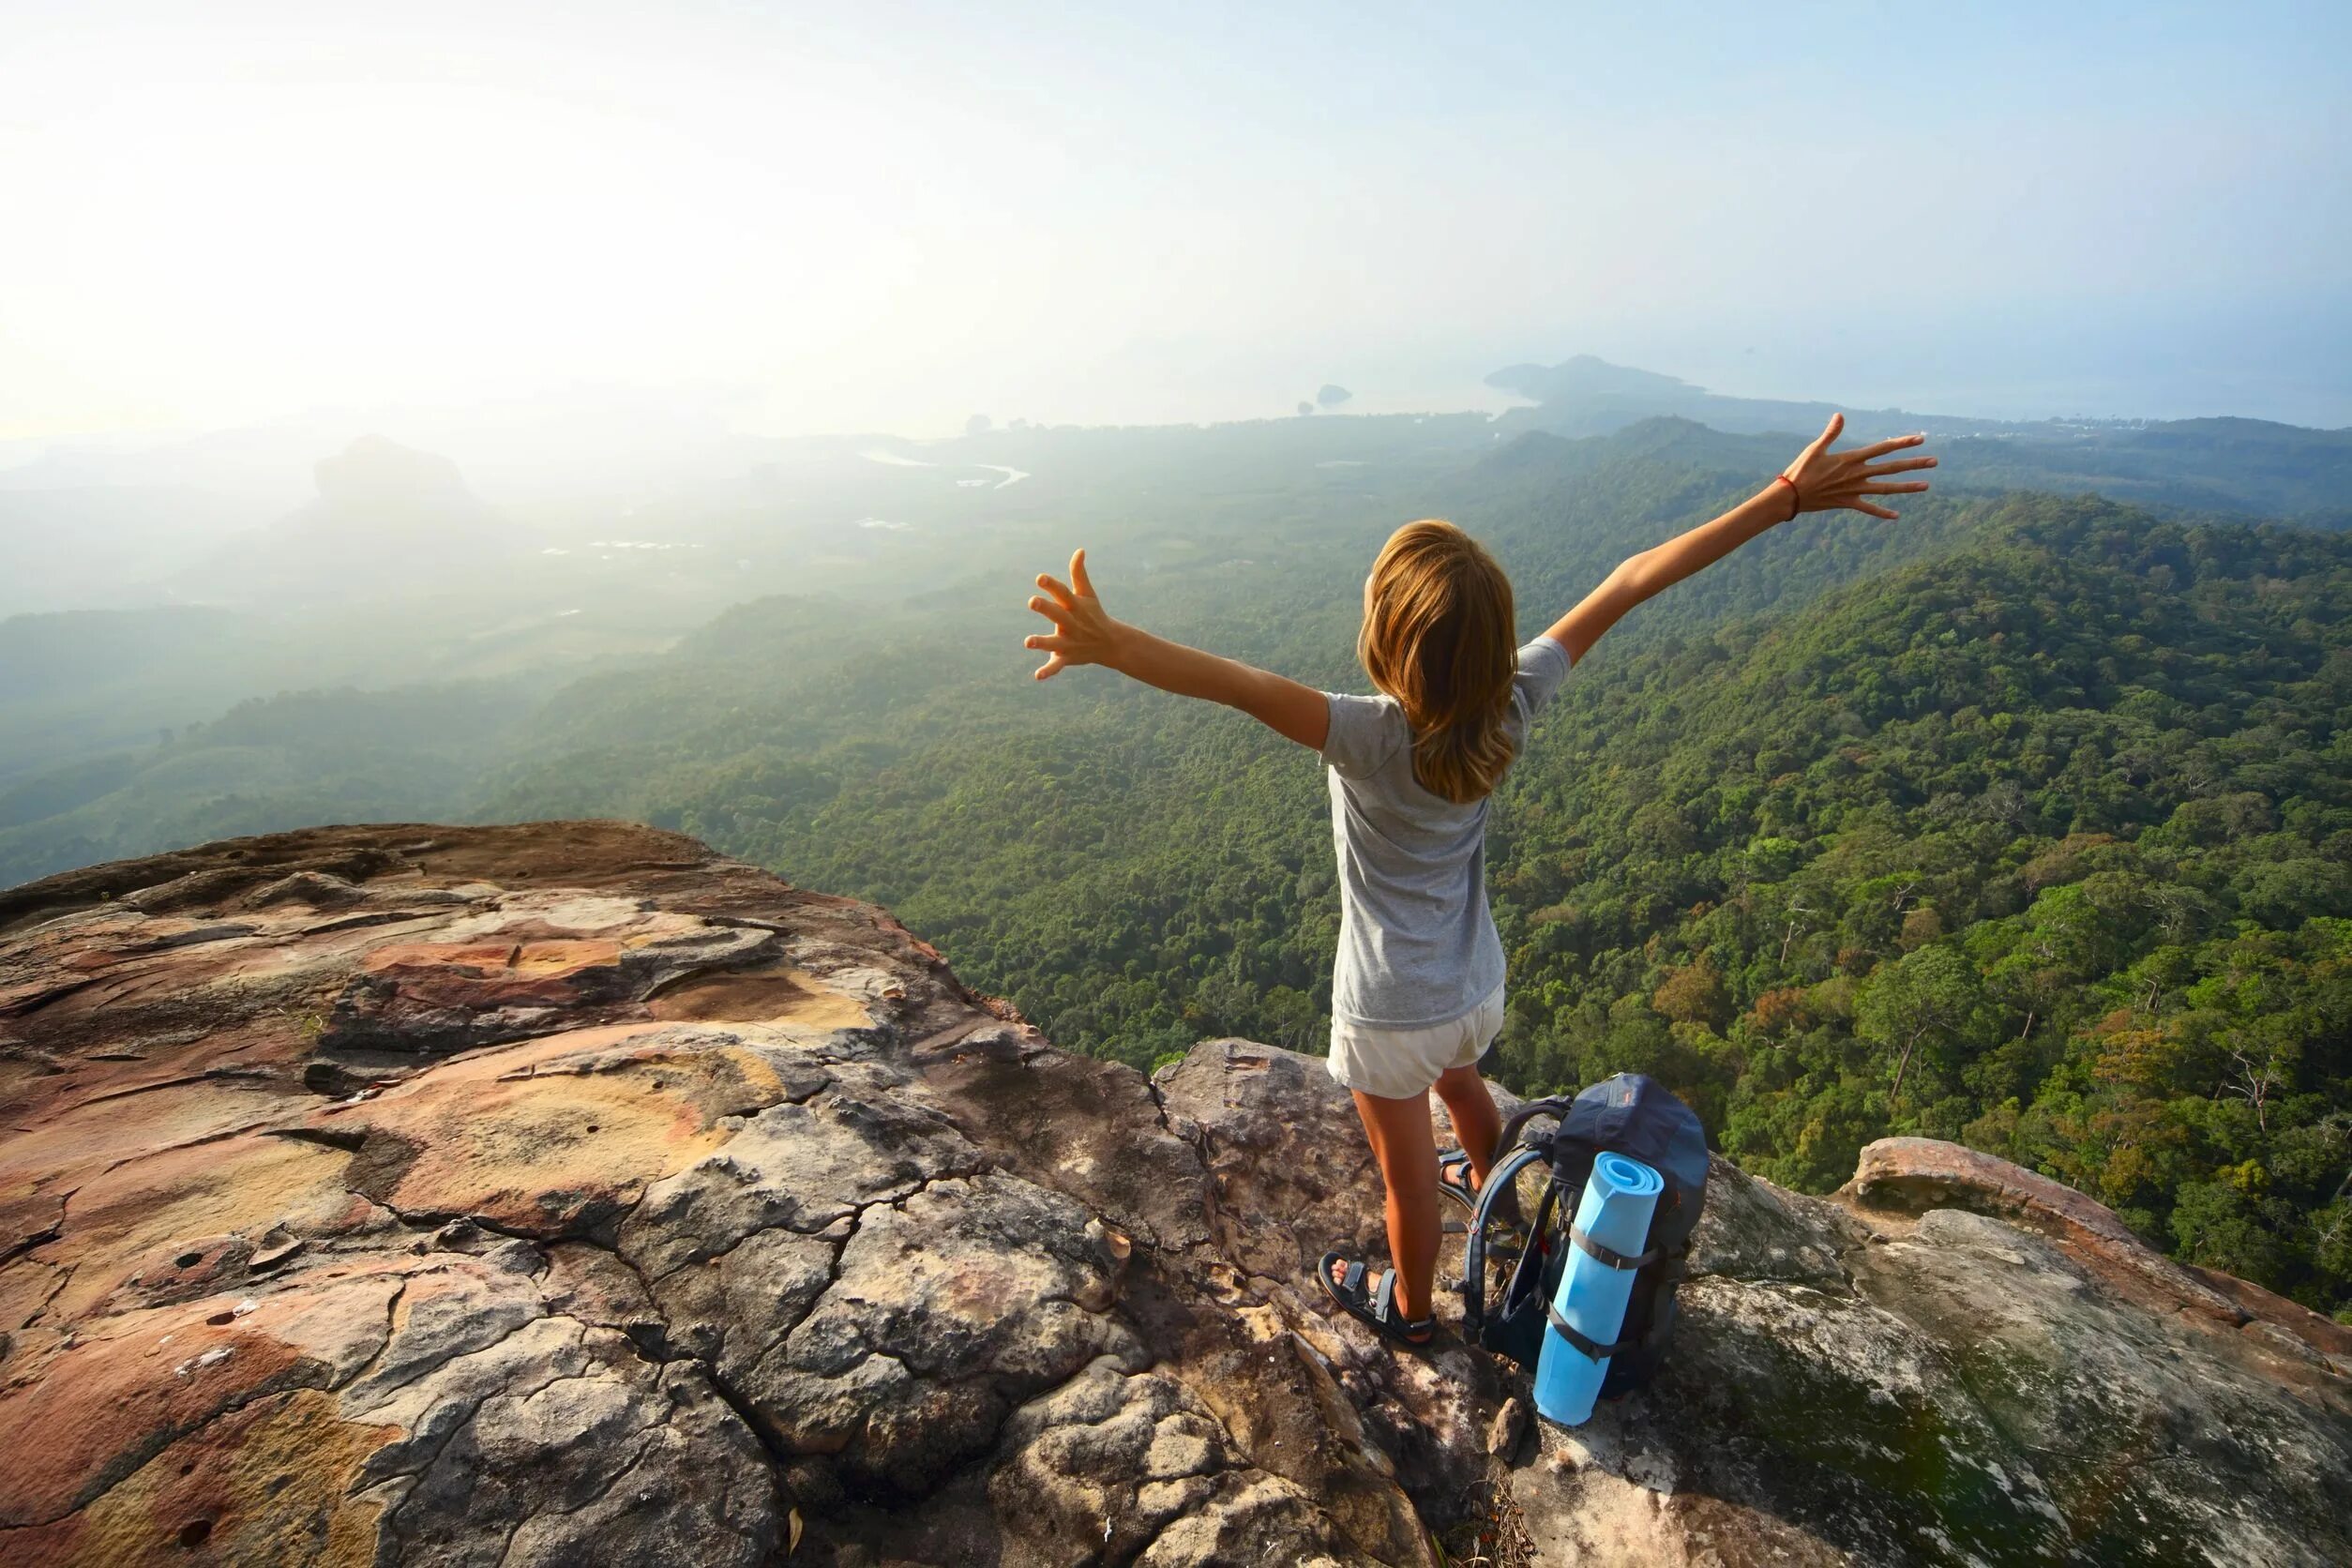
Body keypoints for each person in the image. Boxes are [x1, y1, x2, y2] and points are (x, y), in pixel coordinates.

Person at [1021, 414, 1934, 1349]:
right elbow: (1630, 580)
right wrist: (1783, 499)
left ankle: (1411, 1311)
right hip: (1471, 991)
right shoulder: (1513, 699)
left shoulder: (1368, 734)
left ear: (1390, 642)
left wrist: (1113, 642)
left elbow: (1241, 683)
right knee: (1461, 1083)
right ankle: (1495, 1185)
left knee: (1407, 1181)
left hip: (1386, 1012)